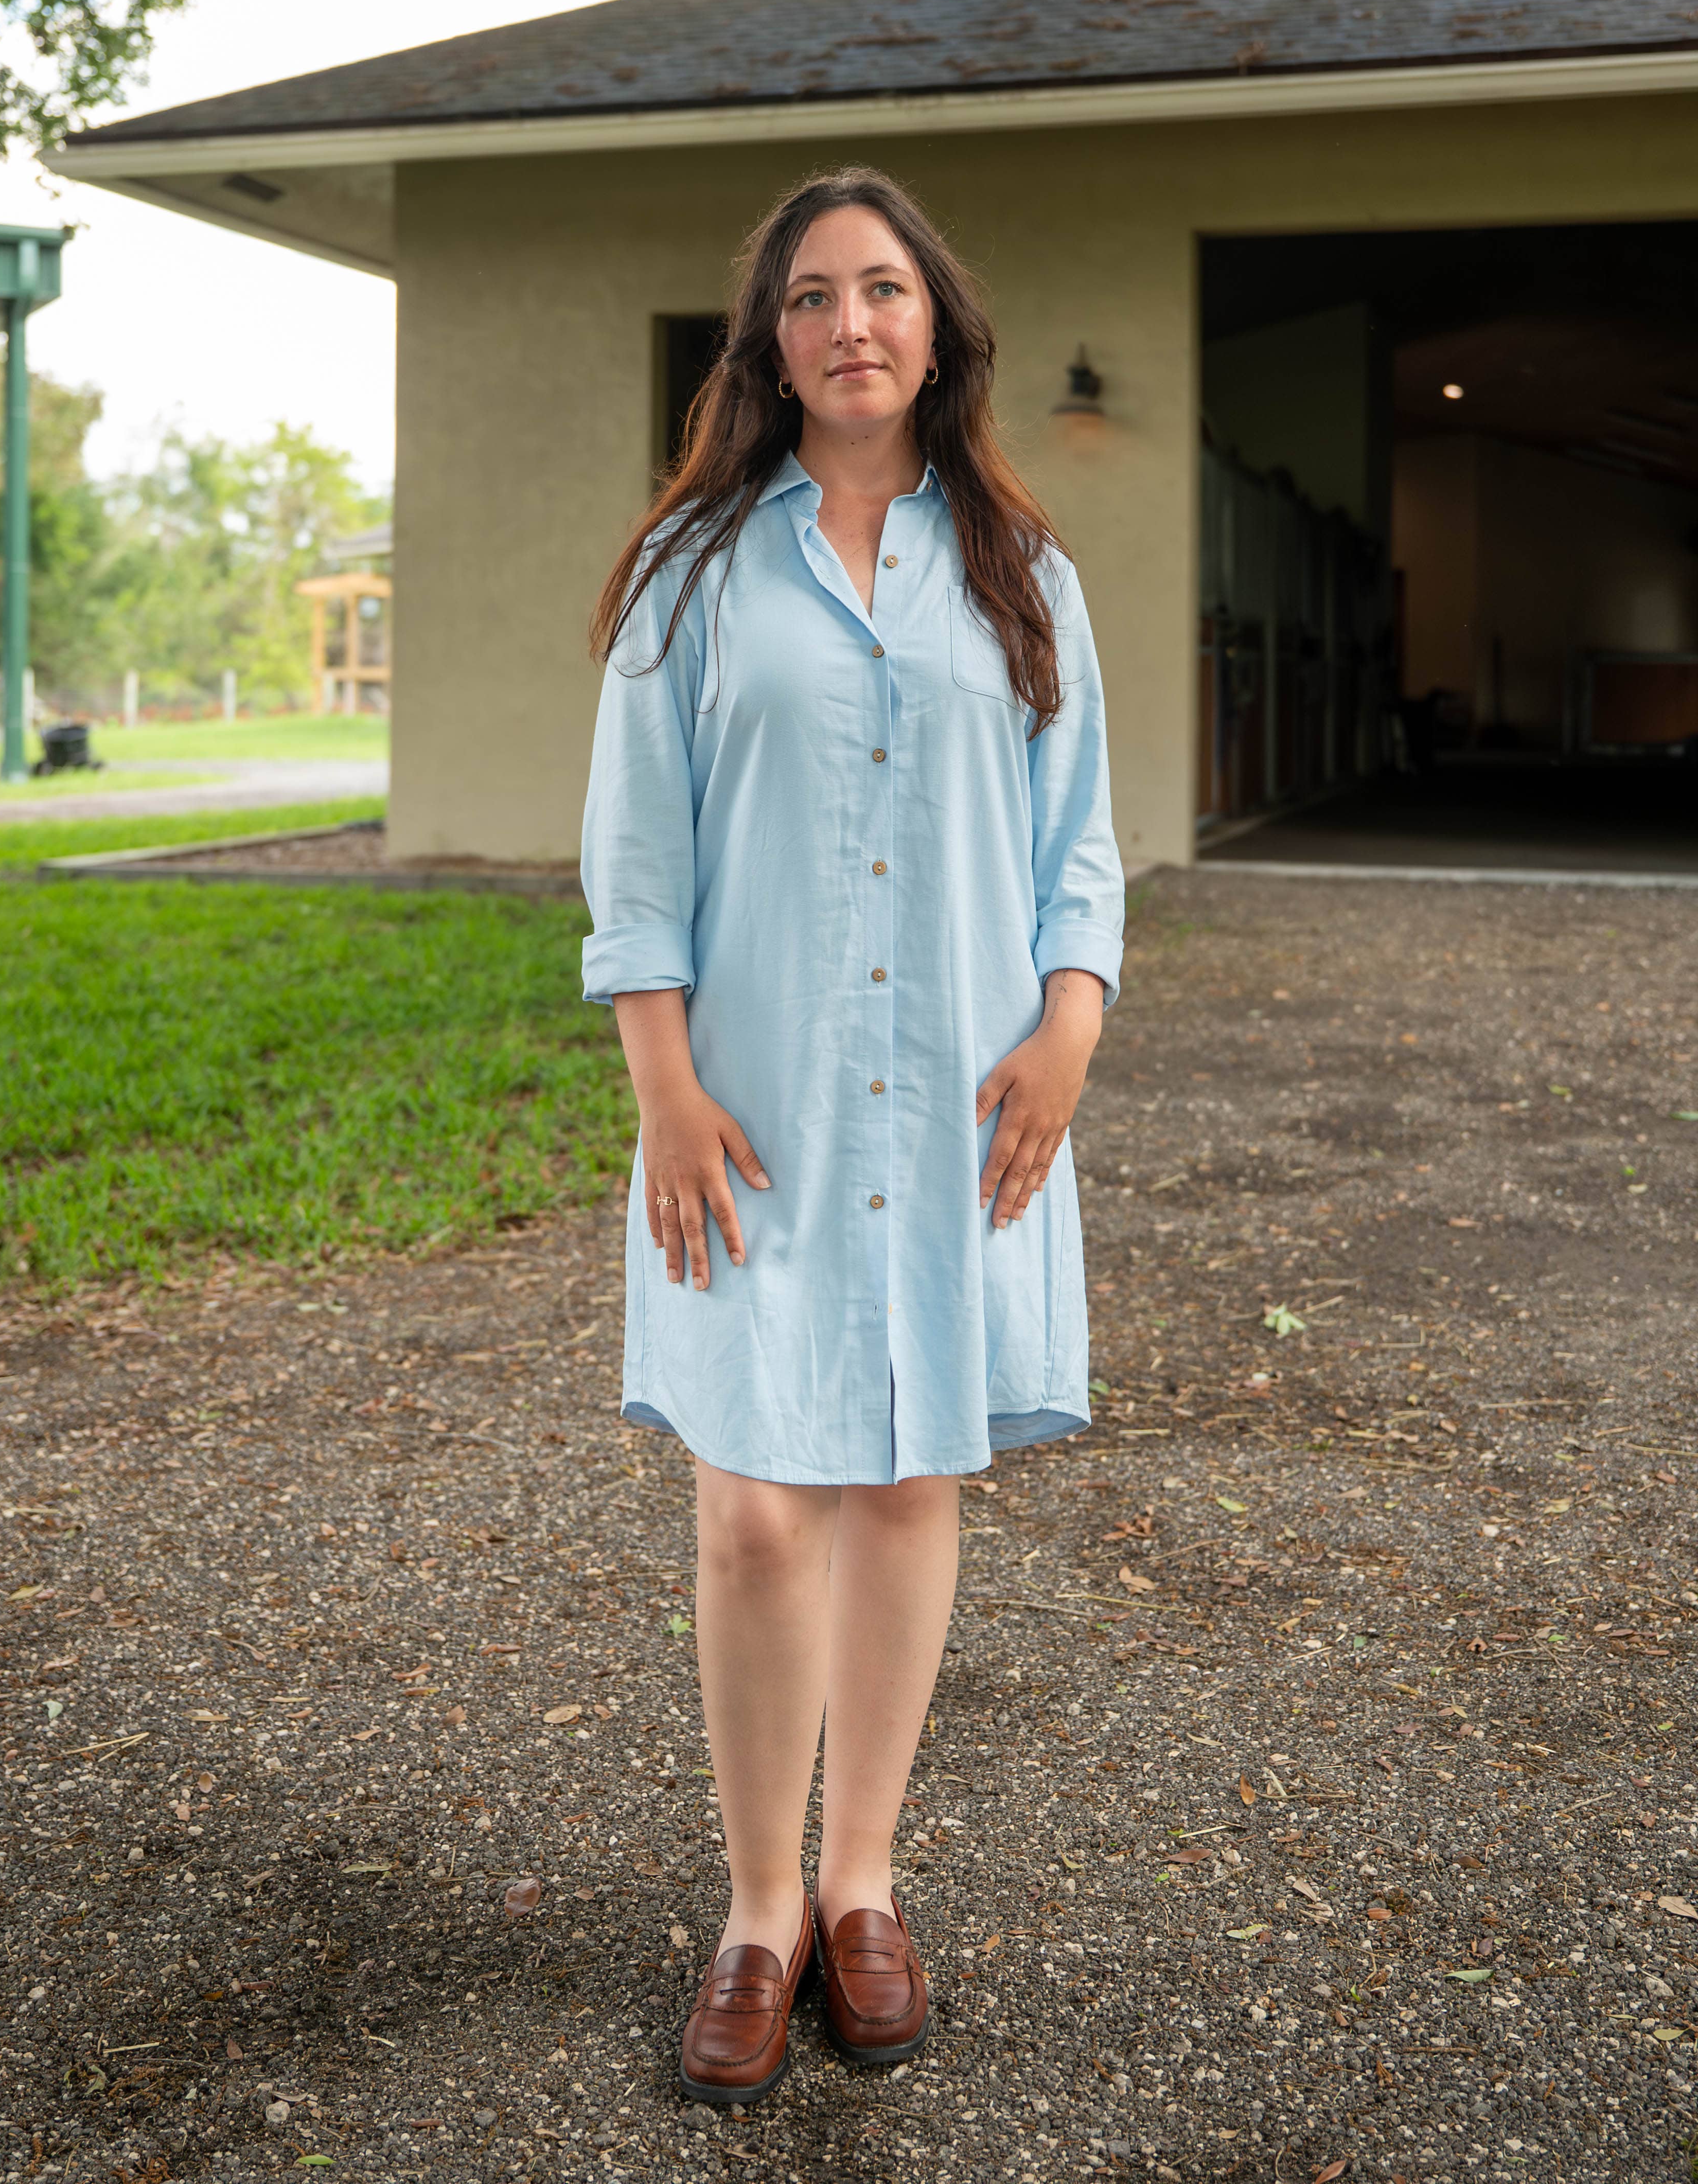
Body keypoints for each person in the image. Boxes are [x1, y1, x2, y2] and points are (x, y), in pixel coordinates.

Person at [581, 166, 1122, 2107]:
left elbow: (1079, 850)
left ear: (936, 323)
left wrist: (1069, 1032)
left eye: (881, 288)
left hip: (968, 1107)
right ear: (772, 343)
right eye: (811, 297)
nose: (850, 324)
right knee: (752, 1509)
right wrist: (664, 1089)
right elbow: (638, 860)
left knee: (905, 1484)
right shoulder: (692, 575)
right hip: (754, 1115)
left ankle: (863, 1884)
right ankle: (757, 1914)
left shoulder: (1024, 574)